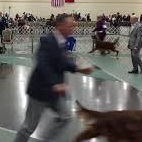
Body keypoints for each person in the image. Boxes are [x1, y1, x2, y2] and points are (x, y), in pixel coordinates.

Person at [14, 14, 95, 142]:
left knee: (66, 116)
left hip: (54, 93)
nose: (73, 28)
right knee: (28, 127)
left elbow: (62, 62)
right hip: (40, 91)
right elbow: (42, 63)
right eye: (70, 25)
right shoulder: (47, 40)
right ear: (60, 26)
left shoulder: (62, 41)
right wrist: (55, 84)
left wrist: (78, 68)